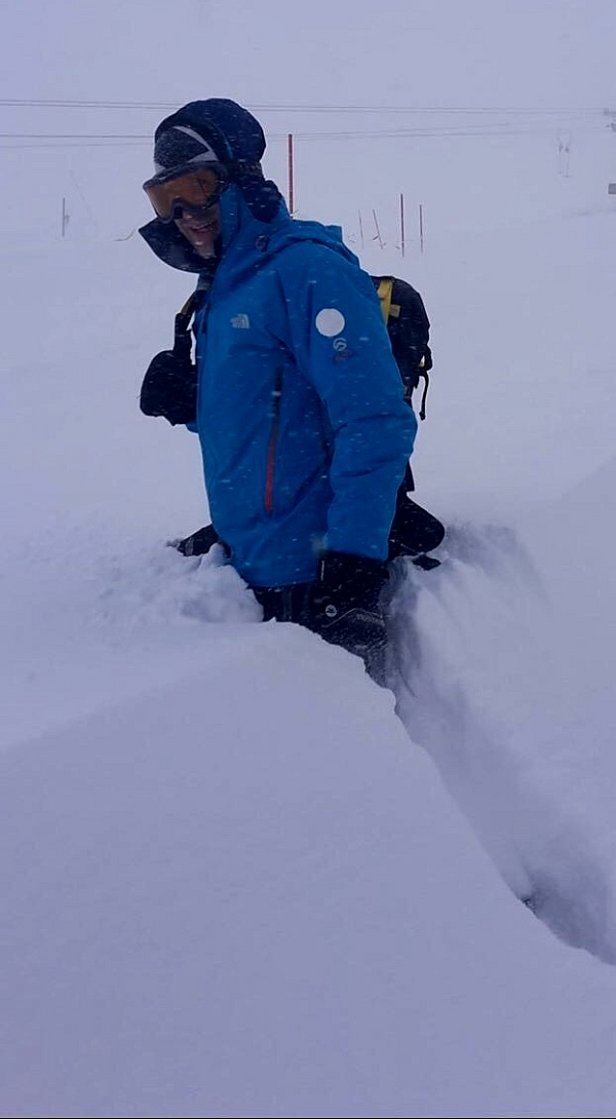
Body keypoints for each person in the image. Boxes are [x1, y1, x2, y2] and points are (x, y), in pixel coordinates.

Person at [139, 98, 417, 683]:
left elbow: (374, 421)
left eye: (197, 186)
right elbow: (269, 415)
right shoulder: (223, 289)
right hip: (249, 566)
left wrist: (354, 560)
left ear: (241, 179)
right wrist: (193, 404)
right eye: (167, 198)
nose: (184, 213)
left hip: (312, 577)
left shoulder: (308, 272)